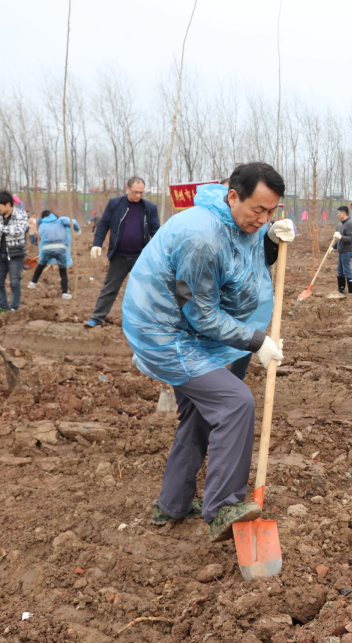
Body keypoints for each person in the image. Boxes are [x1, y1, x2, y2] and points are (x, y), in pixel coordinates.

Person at [121, 163, 296, 542]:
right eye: (258, 211)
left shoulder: (238, 222)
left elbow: (239, 266)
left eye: (272, 211)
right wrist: (255, 340)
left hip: (201, 332)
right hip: (165, 335)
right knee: (235, 403)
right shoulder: (200, 237)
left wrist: (267, 242)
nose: (264, 218)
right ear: (232, 196)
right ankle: (222, 507)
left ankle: (172, 505)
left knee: (203, 414)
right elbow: (200, 314)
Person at [84, 177, 160, 328]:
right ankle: (96, 318)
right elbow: (104, 224)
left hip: (141, 258)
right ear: (127, 188)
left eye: (141, 193)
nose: (138, 196)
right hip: (119, 256)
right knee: (110, 289)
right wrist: (97, 244)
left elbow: (156, 231)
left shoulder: (149, 208)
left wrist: (158, 252)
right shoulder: (115, 204)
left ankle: (148, 321)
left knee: (146, 289)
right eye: (135, 192)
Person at [27, 210, 81, 299]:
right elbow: (73, 222)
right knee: (62, 271)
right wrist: (77, 230)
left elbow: (41, 235)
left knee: (41, 265)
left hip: (46, 248)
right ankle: (65, 293)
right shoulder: (61, 220)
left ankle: (33, 283)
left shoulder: (42, 224)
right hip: (60, 248)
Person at [0, 191, 28, 313]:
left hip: (15, 254)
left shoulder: (20, 214)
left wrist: (2, 228)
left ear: (8, 204)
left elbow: (19, 230)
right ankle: (3, 307)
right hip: (1, 254)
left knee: (14, 282)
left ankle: (14, 308)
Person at [333, 205, 352, 295]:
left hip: (346, 251)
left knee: (347, 270)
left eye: (338, 213)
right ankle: (341, 289)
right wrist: (334, 247)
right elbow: (340, 239)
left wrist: (341, 236)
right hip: (342, 251)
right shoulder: (343, 223)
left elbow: (351, 238)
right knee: (340, 270)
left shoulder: (349, 224)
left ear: (343, 213)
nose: (337, 215)